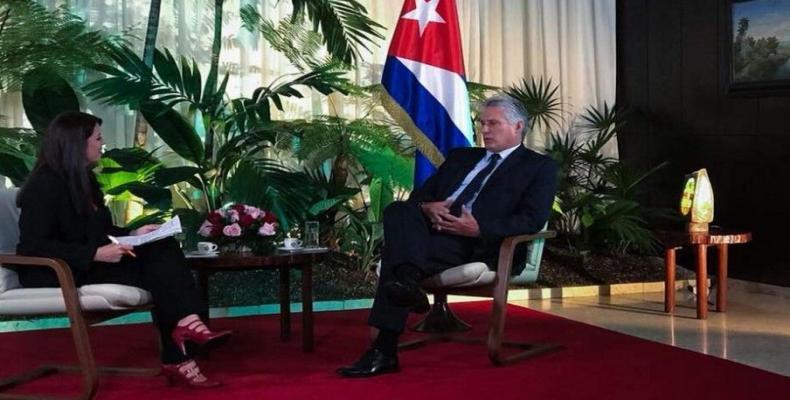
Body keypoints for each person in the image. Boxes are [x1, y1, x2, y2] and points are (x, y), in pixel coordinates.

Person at [337, 95, 558, 377]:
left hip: (475, 243)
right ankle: (407, 281)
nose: (485, 130)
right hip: (428, 232)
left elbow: (532, 218)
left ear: (517, 126)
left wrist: (478, 228)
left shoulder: (538, 167)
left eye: (493, 123)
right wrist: (427, 207)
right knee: (397, 209)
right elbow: (420, 197)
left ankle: (385, 349)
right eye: (482, 123)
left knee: (397, 256)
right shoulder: (462, 157)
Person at [15, 111, 231, 389]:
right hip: (55, 270)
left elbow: (97, 232)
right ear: (75, 143)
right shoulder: (44, 185)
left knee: (161, 246)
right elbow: (32, 246)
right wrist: (94, 254)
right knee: (159, 270)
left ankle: (184, 333)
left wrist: (131, 234)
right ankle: (182, 343)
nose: (102, 144)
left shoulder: (85, 181)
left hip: (85, 263)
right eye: (98, 138)